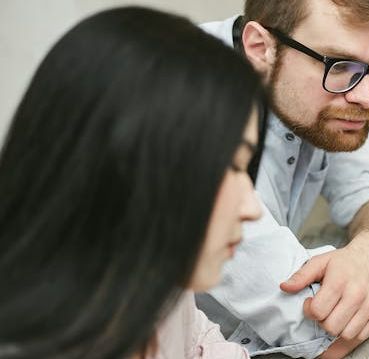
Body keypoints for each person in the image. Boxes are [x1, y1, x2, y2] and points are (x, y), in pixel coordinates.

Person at [196, 1, 369, 358]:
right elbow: (322, 334)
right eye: (341, 66)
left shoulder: (307, 93)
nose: (366, 97)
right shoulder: (190, 117)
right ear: (260, 47)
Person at [0, 7, 267, 359]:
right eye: (230, 166)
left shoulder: (155, 280)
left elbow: (201, 339)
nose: (251, 209)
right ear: (128, 160)